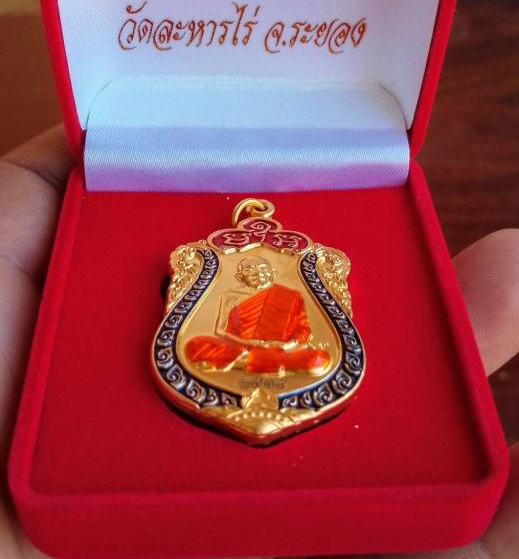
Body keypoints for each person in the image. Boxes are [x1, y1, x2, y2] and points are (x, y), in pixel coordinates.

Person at [0, 127, 517, 559]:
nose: (253, 276)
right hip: (239, 357)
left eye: (258, 273)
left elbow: (303, 338)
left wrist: (276, 347)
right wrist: (238, 344)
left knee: (315, 357)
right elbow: (218, 335)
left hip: (282, 358)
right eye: (248, 273)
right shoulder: (229, 295)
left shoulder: (290, 294)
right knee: (201, 350)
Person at [185, 254, 330, 374]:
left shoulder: (291, 295)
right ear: (240, 276)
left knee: (320, 357)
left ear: (272, 273)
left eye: (262, 268)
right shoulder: (230, 296)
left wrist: (287, 345)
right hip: (241, 348)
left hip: (279, 348)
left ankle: (247, 361)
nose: (257, 273)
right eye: (249, 270)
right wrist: (248, 343)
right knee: (194, 345)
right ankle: (269, 362)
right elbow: (219, 330)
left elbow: (304, 331)